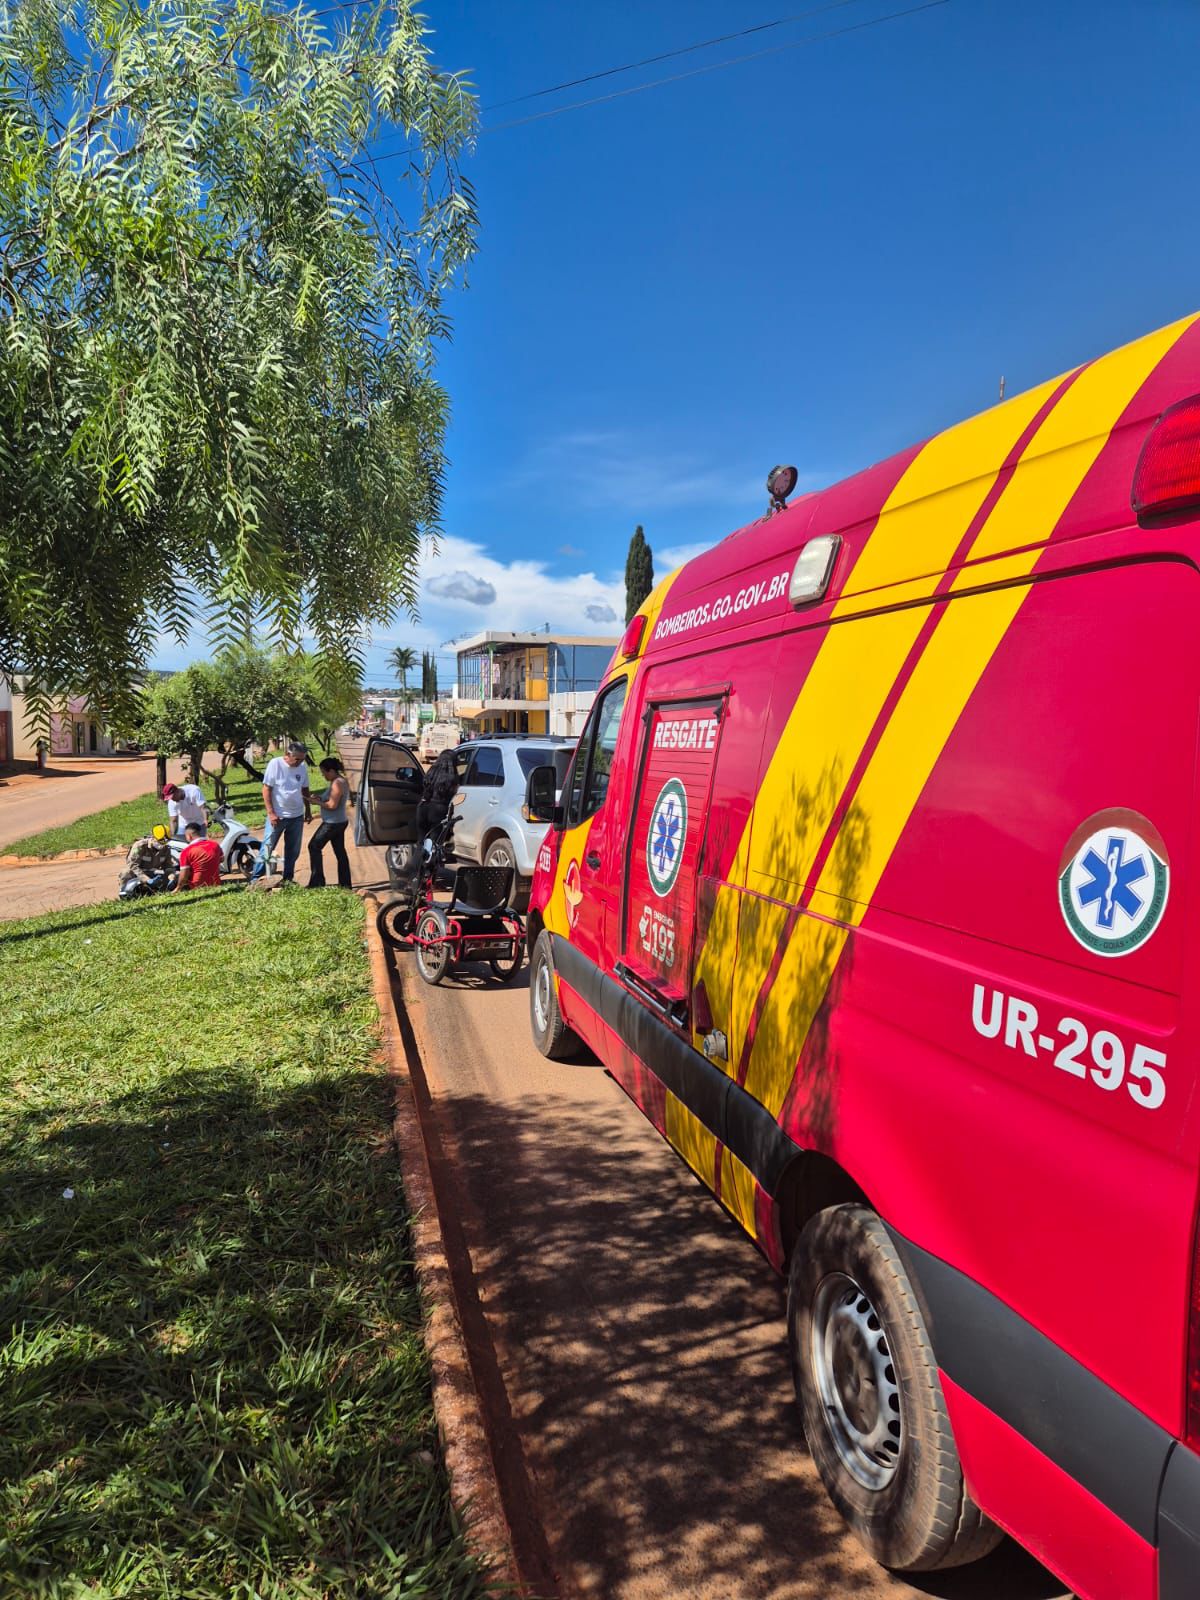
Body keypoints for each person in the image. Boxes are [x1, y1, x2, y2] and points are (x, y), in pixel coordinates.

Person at [249, 742, 312, 888]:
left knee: (293, 850)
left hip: (297, 816)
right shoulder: (275, 764)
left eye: (302, 759)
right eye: (297, 759)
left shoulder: (302, 767)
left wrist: (308, 810)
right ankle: (255, 879)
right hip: (278, 816)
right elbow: (266, 789)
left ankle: (288, 878)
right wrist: (271, 813)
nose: (300, 762)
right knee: (267, 848)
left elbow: (305, 789)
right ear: (288, 755)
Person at [307, 757, 352, 888]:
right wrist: (320, 798)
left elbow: (332, 805)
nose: (323, 776)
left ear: (331, 771)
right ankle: (345, 884)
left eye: (324, 772)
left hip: (333, 823)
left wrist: (316, 802)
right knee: (340, 852)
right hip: (339, 821)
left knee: (314, 846)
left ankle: (317, 882)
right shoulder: (338, 781)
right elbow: (330, 798)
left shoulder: (337, 783)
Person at [118, 823, 175, 895]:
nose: (162, 845)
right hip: (138, 872)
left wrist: (171, 877)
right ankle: (125, 894)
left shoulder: (166, 848)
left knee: (177, 874)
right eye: (160, 842)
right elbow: (132, 865)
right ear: (153, 837)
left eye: (165, 842)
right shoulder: (140, 846)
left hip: (153, 872)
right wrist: (147, 879)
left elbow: (168, 866)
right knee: (125, 873)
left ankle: (161, 892)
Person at [173, 820, 222, 891]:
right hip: (216, 883)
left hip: (196, 886)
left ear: (189, 836)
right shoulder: (215, 845)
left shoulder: (186, 851)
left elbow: (184, 875)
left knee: (176, 876)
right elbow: (221, 859)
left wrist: (178, 888)